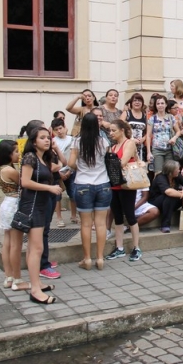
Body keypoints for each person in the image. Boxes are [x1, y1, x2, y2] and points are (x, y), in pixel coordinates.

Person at [18, 127, 62, 304]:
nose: (46, 140)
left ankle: (35, 282)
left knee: (34, 248)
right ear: (34, 141)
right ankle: (35, 290)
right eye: (42, 138)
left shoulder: (44, 158)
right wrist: (49, 188)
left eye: (48, 137)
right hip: (33, 205)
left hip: (42, 205)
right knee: (37, 248)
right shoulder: (30, 157)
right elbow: (25, 182)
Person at [68, 113, 112, 270]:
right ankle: (100, 258)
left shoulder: (77, 142)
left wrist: (79, 167)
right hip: (103, 184)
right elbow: (108, 159)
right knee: (101, 224)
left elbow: (71, 163)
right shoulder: (103, 141)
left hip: (83, 184)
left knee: (86, 225)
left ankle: (87, 259)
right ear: (96, 126)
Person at [106, 120, 143, 261]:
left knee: (130, 215)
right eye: (110, 130)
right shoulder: (113, 147)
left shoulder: (130, 143)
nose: (111, 133)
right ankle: (119, 248)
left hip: (127, 184)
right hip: (114, 184)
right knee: (118, 216)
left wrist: (111, 162)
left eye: (113, 130)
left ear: (122, 130)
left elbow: (122, 162)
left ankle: (136, 247)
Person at [0, 140, 27, 290]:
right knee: (15, 244)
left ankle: (8, 277)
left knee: (7, 242)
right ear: (8, 154)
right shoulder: (10, 170)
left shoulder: (2, 168)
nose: (18, 154)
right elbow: (24, 182)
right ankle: (17, 278)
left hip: (7, 204)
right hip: (13, 204)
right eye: (15, 152)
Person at [149, 160, 183, 233]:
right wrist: (182, 195)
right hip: (156, 201)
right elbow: (168, 191)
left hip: (170, 202)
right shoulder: (160, 177)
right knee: (170, 196)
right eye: (177, 169)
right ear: (171, 171)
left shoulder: (176, 176)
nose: (179, 171)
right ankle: (165, 225)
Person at [51, 118, 77, 227]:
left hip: (71, 171)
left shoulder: (73, 140)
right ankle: (59, 218)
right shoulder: (52, 142)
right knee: (58, 196)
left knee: (73, 194)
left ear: (65, 127)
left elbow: (75, 157)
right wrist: (59, 173)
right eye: (56, 129)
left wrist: (70, 170)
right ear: (53, 131)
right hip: (57, 172)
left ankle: (74, 215)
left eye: (60, 128)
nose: (59, 131)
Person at [146, 95, 181, 174]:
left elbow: (178, 131)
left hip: (169, 149)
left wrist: (174, 138)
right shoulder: (152, 118)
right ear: (155, 105)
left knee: (170, 173)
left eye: (162, 103)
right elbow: (148, 136)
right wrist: (149, 152)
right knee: (158, 172)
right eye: (158, 103)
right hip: (157, 149)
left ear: (166, 105)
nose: (160, 105)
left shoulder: (171, 117)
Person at [120, 93, 147, 160]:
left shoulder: (144, 115)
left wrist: (143, 138)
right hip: (127, 144)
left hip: (140, 146)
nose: (137, 102)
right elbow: (119, 128)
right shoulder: (126, 113)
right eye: (135, 100)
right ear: (131, 103)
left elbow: (148, 131)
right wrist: (131, 139)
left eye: (139, 101)